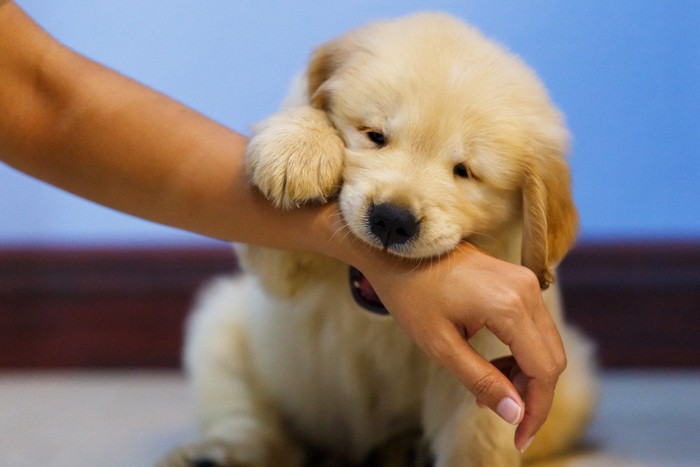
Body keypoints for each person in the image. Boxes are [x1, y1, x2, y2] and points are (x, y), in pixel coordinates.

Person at [0, 1, 565, 453]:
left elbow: (39, 94)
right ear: (320, 93)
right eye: (374, 135)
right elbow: (277, 273)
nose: (397, 205)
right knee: (221, 325)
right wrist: (305, 127)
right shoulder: (326, 97)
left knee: (491, 378)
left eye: (465, 171)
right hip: (296, 398)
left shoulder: (522, 215)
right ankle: (244, 438)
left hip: (431, 415)